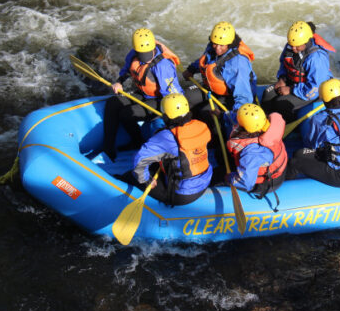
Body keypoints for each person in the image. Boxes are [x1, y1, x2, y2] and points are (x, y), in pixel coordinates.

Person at [103, 28, 183, 161]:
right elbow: (127, 71)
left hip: (161, 101)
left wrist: (171, 118)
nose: (145, 58)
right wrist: (119, 82)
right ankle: (108, 147)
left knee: (126, 113)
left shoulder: (163, 65)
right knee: (113, 103)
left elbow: (173, 94)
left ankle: (138, 141)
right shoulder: (133, 54)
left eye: (147, 54)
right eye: (142, 54)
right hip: (144, 94)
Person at [129, 93, 212, 206]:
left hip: (182, 194)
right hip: (205, 182)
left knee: (130, 175)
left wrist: (146, 180)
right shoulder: (201, 126)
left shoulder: (166, 137)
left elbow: (139, 160)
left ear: (166, 115)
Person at [286, 79, 340, 187]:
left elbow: (312, 145)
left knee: (296, 160)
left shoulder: (321, 119)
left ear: (323, 99)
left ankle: (284, 188)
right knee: (301, 154)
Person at [182, 21, 257, 128]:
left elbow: (243, 95)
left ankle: (214, 140)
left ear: (229, 43)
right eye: (215, 44)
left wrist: (232, 116)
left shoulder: (237, 63)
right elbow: (206, 61)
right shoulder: (213, 46)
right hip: (213, 90)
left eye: (222, 45)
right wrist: (191, 69)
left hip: (232, 97)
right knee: (186, 97)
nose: (217, 48)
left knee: (206, 113)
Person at [261, 21, 335, 122]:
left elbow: (314, 88)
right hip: (294, 83)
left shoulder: (316, 58)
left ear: (306, 41)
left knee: (281, 103)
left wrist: (291, 90)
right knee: (267, 94)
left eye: (297, 46)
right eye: (292, 45)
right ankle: (265, 122)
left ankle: (289, 127)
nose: (293, 48)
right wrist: (282, 78)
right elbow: (284, 62)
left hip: (311, 90)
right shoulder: (291, 45)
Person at [226, 103, 287, 199]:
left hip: (265, 182)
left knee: (219, 175)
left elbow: (246, 183)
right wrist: (222, 115)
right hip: (272, 166)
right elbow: (239, 120)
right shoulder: (268, 126)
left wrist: (229, 178)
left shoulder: (252, 152)